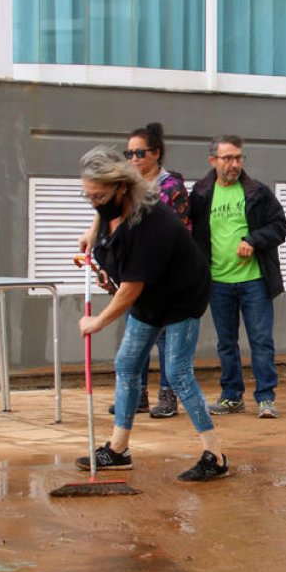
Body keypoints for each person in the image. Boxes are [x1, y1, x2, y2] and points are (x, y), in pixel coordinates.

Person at [74, 145, 227, 482]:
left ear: (121, 187)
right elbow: (104, 217)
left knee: (178, 372)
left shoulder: (149, 223)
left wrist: (98, 321)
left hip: (181, 297)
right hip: (151, 296)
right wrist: (92, 232)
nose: (95, 203)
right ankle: (118, 450)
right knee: (127, 365)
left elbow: (130, 290)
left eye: (99, 196)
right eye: (90, 197)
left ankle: (215, 456)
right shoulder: (111, 208)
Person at [189, 135, 286, 419]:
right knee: (226, 343)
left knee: (261, 340)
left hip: (254, 280)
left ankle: (265, 398)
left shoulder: (257, 192)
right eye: (227, 158)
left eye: (238, 158)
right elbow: (190, 232)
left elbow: (279, 226)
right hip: (218, 281)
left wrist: (253, 240)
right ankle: (232, 396)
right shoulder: (200, 194)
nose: (234, 164)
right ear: (213, 161)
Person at [99, 122, 192, 419]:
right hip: (135, 275)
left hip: (165, 278)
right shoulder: (126, 188)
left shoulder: (171, 188)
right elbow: (114, 228)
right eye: (129, 153)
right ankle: (136, 395)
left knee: (164, 339)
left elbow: (177, 234)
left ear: (156, 153)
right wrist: (109, 267)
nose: (133, 159)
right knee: (135, 337)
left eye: (140, 153)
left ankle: (167, 396)